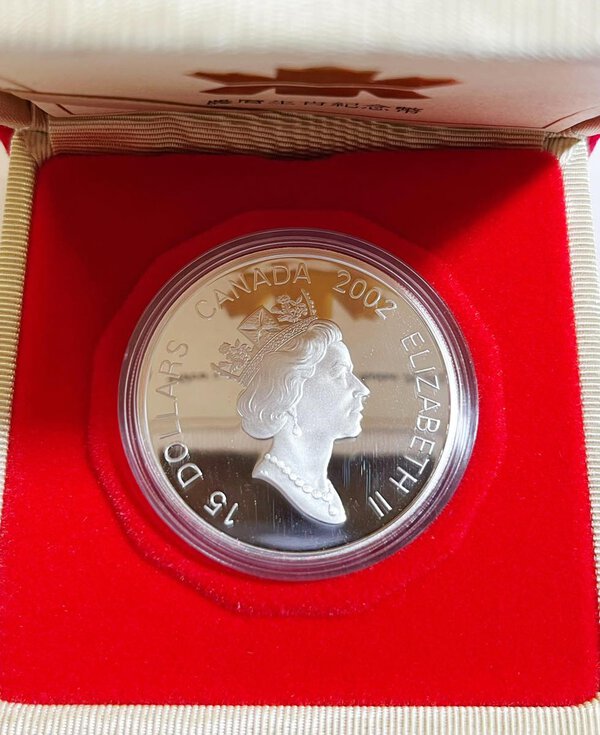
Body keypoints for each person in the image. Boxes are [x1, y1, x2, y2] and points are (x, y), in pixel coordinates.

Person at [224, 300, 369, 525]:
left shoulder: (323, 490)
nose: (362, 389)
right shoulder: (267, 489)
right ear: (290, 392)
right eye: (340, 373)